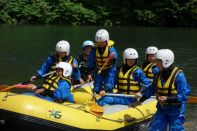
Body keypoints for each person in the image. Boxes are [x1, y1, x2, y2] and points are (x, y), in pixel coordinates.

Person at [132, 49, 191, 131]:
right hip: (162, 109)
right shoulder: (157, 75)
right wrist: (140, 101)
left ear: (166, 62)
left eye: (158, 62)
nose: (156, 64)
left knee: (175, 129)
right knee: (155, 129)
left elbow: (184, 95)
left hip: (176, 110)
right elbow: (151, 90)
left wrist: (167, 99)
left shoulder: (179, 76)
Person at [87, 29, 118, 96]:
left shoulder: (110, 48)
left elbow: (115, 55)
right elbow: (91, 62)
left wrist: (113, 56)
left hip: (110, 70)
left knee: (108, 84)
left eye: (101, 42)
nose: (100, 44)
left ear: (106, 41)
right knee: (97, 86)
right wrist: (89, 73)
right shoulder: (94, 49)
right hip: (99, 70)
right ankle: (96, 94)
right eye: (98, 42)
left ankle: (108, 93)